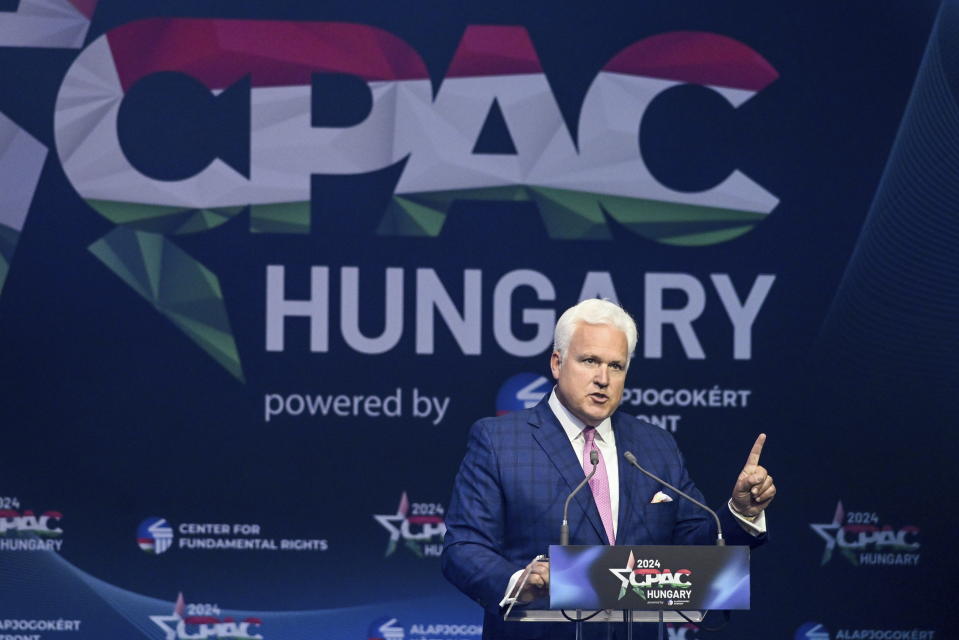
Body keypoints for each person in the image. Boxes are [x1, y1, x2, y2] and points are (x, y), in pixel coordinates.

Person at [441, 299, 775, 639]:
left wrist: (739, 513)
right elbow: (464, 548)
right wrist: (520, 583)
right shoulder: (501, 441)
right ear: (557, 363)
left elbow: (694, 552)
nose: (603, 378)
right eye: (590, 361)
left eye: (616, 366)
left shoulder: (654, 447)